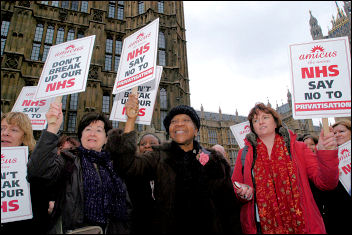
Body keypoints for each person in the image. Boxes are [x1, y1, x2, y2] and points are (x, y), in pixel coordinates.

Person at [106, 93, 242, 234]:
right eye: (173, 121)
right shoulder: (157, 157)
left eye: (186, 120)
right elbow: (127, 166)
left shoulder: (215, 161)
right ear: (170, 131)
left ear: (196, 130)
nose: (179, 123)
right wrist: (130, 121)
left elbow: (229, 210)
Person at [231, 102, 339, 234]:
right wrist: (243, 192)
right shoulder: (245, 154)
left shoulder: (299, 148)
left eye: (265, 117)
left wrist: (326, 153)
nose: (260, 122)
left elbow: (326, 183)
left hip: (302, 225)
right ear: (252, 127)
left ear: (276, 123)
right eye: (255, 120)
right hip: (261, 227)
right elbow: (235, 188)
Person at [27, 103, 131, 234]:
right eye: (87, 129)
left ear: (106, 139)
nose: (92, 133)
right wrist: (52, 128)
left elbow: (127, 208)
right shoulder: (68, 160)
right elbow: (36, 172)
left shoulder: (115, 167)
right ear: (81, 136)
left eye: (99, 130)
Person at [1, 112, 48, 233]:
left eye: (14, 130)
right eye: (2, 128)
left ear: (24, 136)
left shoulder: (33, 167)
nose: (5, 133)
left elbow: (40, 209)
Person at [125, 133, 161, 234]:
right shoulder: (131, 172)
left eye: (152, 143)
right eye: (143, 144)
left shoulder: (168, 171)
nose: (147, 145)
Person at [322, 119, 351, 234]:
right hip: (338, 207)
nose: (338, 135)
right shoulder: (327, 154)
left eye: (342, 131)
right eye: (334, 133)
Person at [48, 135, 80, 215]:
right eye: (60, 149)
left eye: (68, 150)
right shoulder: (51, 163)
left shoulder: (75, 167)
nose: (61, 153)